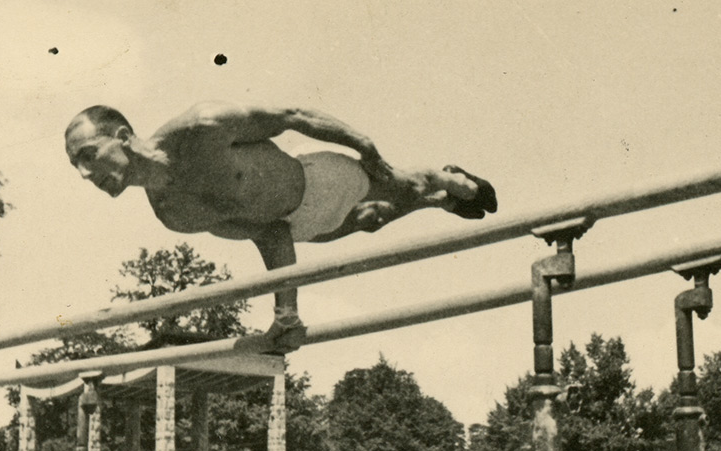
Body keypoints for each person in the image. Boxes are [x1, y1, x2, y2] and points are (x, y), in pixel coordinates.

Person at [64, 103, 497, 352]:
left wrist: (362, 145)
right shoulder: (173, 214)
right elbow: (268, 232)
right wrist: (286, 313)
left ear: (122, 136)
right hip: (297, 226)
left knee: (401, 185)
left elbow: (292, 114)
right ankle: (439, 200)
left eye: (88, 155)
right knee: (373, 221)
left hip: (317, 180)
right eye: (75, 167)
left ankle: (441, 179)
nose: (85, 175)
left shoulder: (200, 128)